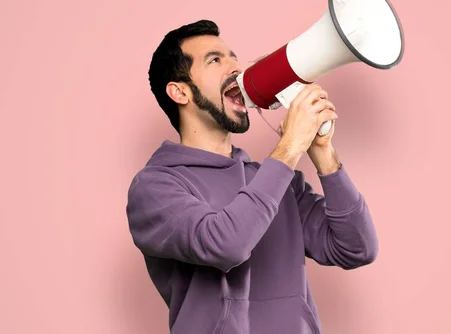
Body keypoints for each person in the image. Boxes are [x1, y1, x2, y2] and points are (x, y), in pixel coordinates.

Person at [126, 19, 379, 334]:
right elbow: (226, 245)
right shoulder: (154, 187)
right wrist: (289, 148)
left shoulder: (277, 180)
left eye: (233, 56)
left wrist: (322, 152)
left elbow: (357, 248)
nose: (235, 67)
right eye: (215, 60)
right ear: (180, 92)